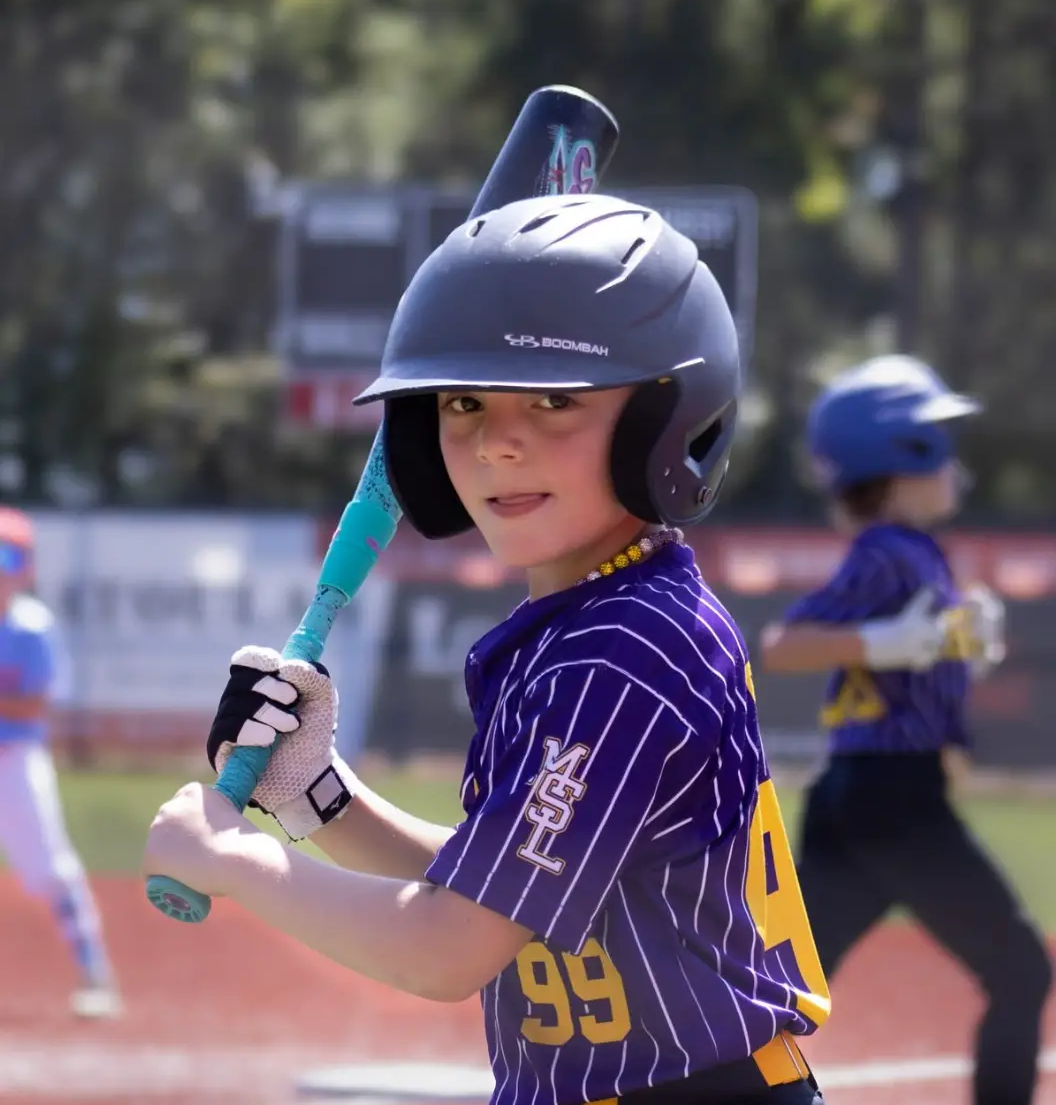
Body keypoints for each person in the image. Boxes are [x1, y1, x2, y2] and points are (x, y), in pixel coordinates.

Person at [144, 193, 829, 1104]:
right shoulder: (590, 627)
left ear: (667, 420)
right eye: (464, 400)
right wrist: (317, 794)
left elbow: (449, 947)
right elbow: (502, 887)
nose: (497, 443)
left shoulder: (622, 652)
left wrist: (237, 858)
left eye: (554, 399)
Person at [759, 355, 1052, 1105]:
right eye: (939, 444)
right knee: (1021, 970)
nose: (954, 465)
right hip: (894, 800)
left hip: (861, 796)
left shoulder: (913, 554)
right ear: (899, 456)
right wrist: (888, 642)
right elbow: (785, 645)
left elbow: (908, 659)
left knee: (773, 994)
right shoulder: (889, 552)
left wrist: (955, 644)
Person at [0, 506, 121, 1018]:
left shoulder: (31, 627)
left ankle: (93, 970)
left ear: (26, 567)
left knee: (50, 867)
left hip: (14, 761)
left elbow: (35, 703)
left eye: (8, 556)